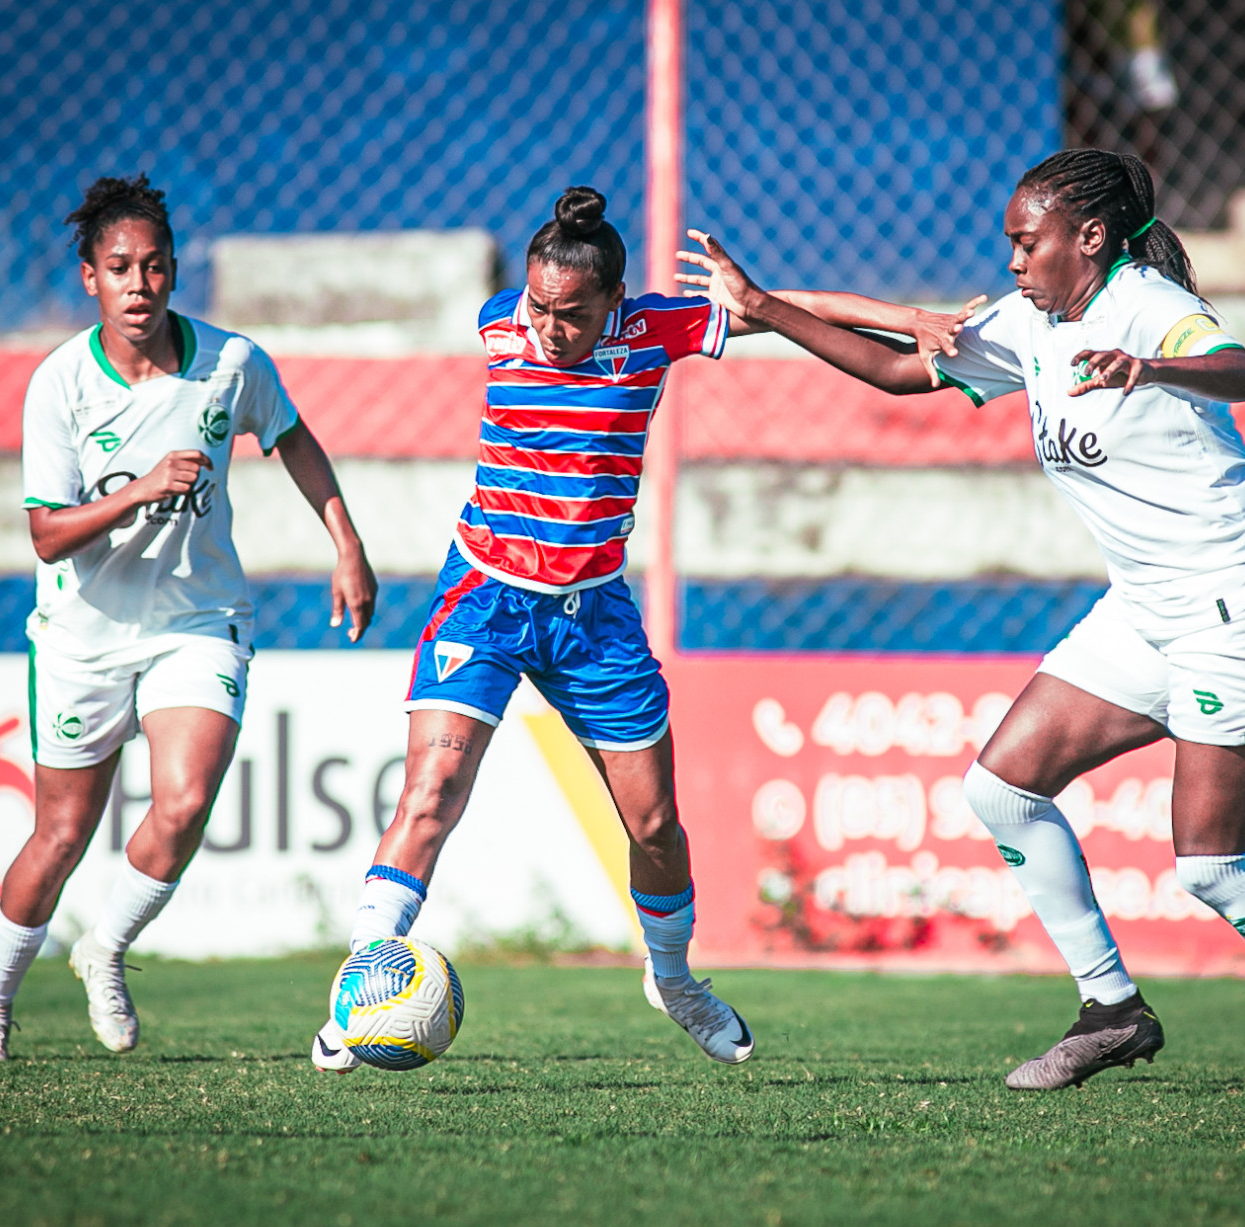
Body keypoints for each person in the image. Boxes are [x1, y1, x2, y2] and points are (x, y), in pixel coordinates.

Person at [679, 149, 1245, 1098]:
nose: (1015, 261)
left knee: (1210, 863)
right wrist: (765, 307)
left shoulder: (1143, 303)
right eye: (1012, 245)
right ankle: (1112, 1013)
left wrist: (1151, 366)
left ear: (1090, 239)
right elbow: (904, 364)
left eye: (1028, 242)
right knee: (1003, 789)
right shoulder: (1032, 321)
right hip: (1149, 606)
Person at [310, 186, 971, 1071]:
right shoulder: (500, 322)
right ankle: (361, 989)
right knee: (431, 792)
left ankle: (672, 979)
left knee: (655, 826)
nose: (548, 326)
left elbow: (791, 309)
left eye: (572, 314)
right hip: (484, 594)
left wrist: (909, 317)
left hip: (595, 615)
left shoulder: (653, 332)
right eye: (540, 307)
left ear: (613, 305)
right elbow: (531, 306)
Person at [0, 175, 377, 1060]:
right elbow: (45, 535)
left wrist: (346, 543)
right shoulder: (60, 383)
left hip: (198, 620)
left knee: (183, 804)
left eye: (152, 266)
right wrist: (141, 491)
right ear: (89, 278)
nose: (138, 284)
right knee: (61, 833)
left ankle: (104, 950)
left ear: (175, 271)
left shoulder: (233, 363)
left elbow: (292, 436)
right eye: (119, 268)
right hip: (84, 635)